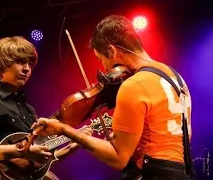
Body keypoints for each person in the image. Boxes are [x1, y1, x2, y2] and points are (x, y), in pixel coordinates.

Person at [33, 15, 194, 180]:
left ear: (111, 51)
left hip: (151, 174)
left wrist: (64, 130)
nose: (104, 68)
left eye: (101, 59)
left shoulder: (134, 85)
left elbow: (118, 158)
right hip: (180, 172)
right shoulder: (175, 77)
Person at [0, 36, 92, 180]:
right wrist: (20, 151)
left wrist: (70, 149)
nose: (27, 68)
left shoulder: (28, 110)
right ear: (2, 65)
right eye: (20, 62)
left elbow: (32, 164)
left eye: (30, 64)